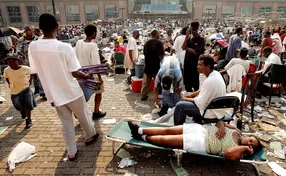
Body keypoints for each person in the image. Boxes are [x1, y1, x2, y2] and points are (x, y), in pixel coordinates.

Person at [28, 13, 99, 161]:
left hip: (53, 93)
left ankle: (71, 152)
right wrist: (88, 76)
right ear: (57, 27)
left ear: (40, 28)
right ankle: (89, 136)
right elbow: (75, 72)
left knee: (66, 123)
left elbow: (34, 70)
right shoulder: (64, 47)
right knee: (83, 116)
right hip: (71, 91)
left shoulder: (33, 46)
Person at [127, 120, 262, 161]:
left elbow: (228, 153)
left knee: (165, 140)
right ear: (248, 135)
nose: (248, 142)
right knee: (169, 130)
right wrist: (221, 127)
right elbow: (220, 122)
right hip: (201, 129)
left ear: (250, 149)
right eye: (251, 140)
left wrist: (243, 148)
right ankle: (139, 130)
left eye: (251, 145)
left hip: (201, 143)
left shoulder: (239, 152)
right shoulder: (237, 131)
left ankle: (143, 137)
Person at [174, 55, 226, 125]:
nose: (197, 67)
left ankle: (178, 129)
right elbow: (202, 90)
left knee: (179, 106)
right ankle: (196, 123)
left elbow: (200, 104)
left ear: (208, 66)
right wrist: (191, 95)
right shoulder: (216, 74)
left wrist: (186, 99)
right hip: (216, 110)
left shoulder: (210, 81)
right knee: (189, 94)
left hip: (209, 113)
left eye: (200, 65)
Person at [74, 24, 106, 120]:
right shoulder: (93, 45)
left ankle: (79, 111)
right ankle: (96, 112)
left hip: (80, 73)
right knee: (98, 92)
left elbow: (74, 57)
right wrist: (100, 78)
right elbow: (95, 63)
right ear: (94, 33)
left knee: (82, 94)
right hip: (91, 74)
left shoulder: (79, 42)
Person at [4, 53, 36, 129]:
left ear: (18, 61)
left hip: (25, 89)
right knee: (17, 104)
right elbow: (6, 77)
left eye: (13, 62)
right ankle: (22, 111)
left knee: (28, 104)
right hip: (14, 90)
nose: (11, 64)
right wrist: (9, 83)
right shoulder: (7, 70)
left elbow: (32, 73)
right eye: (9, 63)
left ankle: (28, 119)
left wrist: (30, 81)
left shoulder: (25, 68)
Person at [17, 26, 46, 99]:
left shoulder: (38, 40)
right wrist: (21, 61)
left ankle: (42, 92)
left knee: (40, 76)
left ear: (33, 31)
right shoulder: (21, 40)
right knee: (29, 77)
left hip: (37, 61)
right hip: (26, 62)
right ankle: (32, 91)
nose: (27, 31)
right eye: (26, 30)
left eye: (29, 30)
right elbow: (18, 51)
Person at [141, 29, 164, 101]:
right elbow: (161, 56)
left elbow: (144, 54)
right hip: (156, 66)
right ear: (156, 34)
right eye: (158, 33)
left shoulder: (146, 43)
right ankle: (159, 95)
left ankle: (143, 96)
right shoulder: (159, 43)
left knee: (146, 82)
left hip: (148, 65)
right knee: (158, 82)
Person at [182, 21, 205, 92]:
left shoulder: (200, 39)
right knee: (187, 85)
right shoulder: (189, 38)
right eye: (192, 30)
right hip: (187, 64)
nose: (193, 31)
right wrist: (186, 37)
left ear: (198, 29)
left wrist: (187, 48)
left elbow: (196, 52)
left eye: (194, 30)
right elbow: (183, 47)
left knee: (195, 85)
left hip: (195, 65)